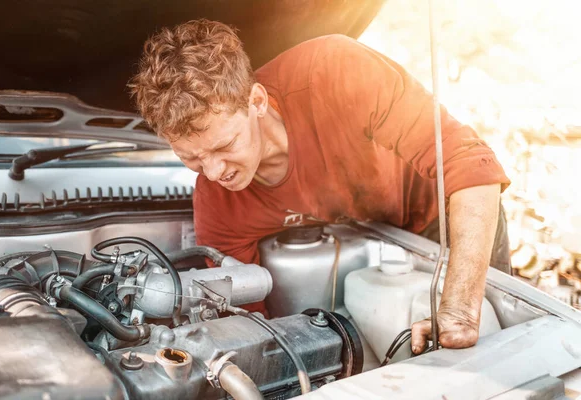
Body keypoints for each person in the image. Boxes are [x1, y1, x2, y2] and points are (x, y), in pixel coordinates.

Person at [130, 19, 511, 355]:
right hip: (369, 240)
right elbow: (245, 320)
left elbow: (471, 166)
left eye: (225, 146)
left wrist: (459, 309)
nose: (213, 172)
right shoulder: (217, 203)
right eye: (191, 158)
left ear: (257, 101)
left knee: (499, 348)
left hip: (444, 221)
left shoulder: (335, 72)